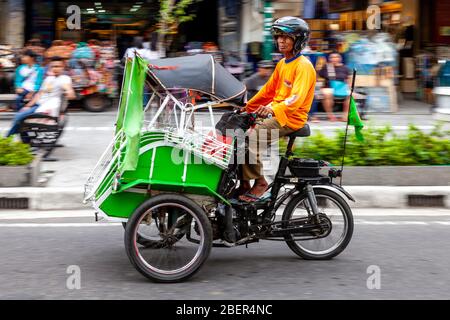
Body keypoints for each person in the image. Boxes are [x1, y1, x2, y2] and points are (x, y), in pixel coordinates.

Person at [239, 16, 316, 202]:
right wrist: (245, 107)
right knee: (237, 133)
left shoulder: (303, 66)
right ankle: (244, 183)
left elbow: (295, 99)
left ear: (298, 40)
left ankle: (260, 182)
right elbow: (267, 91)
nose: (281, 40)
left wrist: (273, 109)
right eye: (279, 36)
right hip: (277, 113)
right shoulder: (282, 64)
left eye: (286, 37)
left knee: (253, 137)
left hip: (290, 118)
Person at [6, 57, 75, 137]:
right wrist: (28, 106)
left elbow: (67, 87)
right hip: (38, 105)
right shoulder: (48, 79)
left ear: (63, 67)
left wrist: (69, 92)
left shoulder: (64, 78)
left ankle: (8, 138)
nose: (55, 69)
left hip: (47, 107)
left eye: (58, 66)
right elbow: (40, 93)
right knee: (20, 116)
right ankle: (21, 139)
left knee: (20, 118)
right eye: (53, 66)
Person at [318, 52, 351, 121]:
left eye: (336, 57)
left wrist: (349, 87)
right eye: (332, 57)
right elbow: (318, 77)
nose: (334, 59)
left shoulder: (345, 68)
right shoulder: (326, 67)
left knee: (350, 95)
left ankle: (345, 115)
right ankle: (330, 115)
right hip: (328, 87)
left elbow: (348, 79)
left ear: (340, 58)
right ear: (329, 59)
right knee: (328, 93)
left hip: (341, 87)